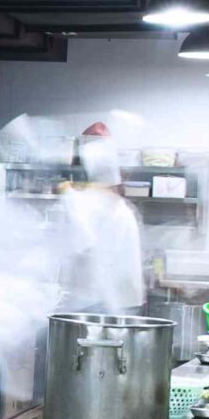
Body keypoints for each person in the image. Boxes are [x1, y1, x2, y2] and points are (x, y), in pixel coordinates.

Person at [57, 135, 146, 315]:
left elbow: (82, 245)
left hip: (107, 303)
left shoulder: (99, 205)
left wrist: (68, 195)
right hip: (121, 300)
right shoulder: (118, 207)